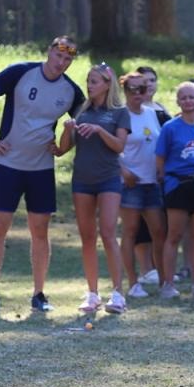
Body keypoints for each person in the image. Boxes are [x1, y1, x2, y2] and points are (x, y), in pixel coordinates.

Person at [0, 35, 85, 316]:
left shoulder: (71, 92)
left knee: (40, 231)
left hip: (41, 169)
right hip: (8, 165)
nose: (62, 62)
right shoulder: (20, 72)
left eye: (68, 59)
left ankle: (38, 293)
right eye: (59, 55)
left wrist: (62, 147)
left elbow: (77, 129)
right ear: (48, 51)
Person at [56, 63, 131, 314]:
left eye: (95, 81)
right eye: (88, 81)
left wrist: (99, 131)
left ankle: (118, 294)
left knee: (108, 233)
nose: (89, 86)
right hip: (82, 180)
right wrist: (68, 130)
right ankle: (92, 293)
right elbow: (63, 149)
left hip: (108, 179)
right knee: (87, 236)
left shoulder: (119, 112)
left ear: (107, 85)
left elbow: (119, 146)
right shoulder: (82, 111)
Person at [155, 81, 194, 298]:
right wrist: (164, 181)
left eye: (191, 97)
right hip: (177, 185)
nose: (188, 101)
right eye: (183, 98)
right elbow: (160, 159)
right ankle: (168, 284)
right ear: (178, 101)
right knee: (174, 235)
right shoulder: (170, 128)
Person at [118, 72, 167, 299]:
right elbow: (110, 148)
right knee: (130, 231)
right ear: (125, 90)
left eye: (143, 89)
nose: (138, 93)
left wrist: (161, 168)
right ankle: (133, 282)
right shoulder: (120, 115)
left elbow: (158, 143)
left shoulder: (152, 113)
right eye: (133, 89)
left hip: (152, 182)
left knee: (159, 231)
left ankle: (164, 280)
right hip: (130, 183)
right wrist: (123, 171)